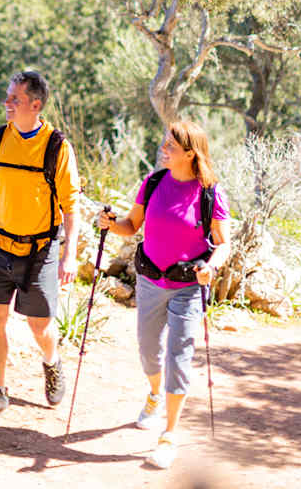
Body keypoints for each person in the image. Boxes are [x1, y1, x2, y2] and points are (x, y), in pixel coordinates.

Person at [98, 119, 230, 470]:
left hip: (188, 287)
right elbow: (131, 226)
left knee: (179, 355)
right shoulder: (153, 182)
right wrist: (112, 225)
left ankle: (169, 435)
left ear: (190, 152)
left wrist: (211, 267)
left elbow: (223, 244)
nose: (164, 148)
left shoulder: (209, 193)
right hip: (150, 282)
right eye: (165, 143)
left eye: (171, 145)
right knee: (148, 351)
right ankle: (155, 395)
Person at [0, 70, 80, 419]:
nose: (6, 104)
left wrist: (69, 256)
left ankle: (52, 362)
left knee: (38, 325)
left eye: (14, 99)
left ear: (35, 104)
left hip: (40, 251)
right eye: (7, 97)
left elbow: (71, 206)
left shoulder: (57, 147)